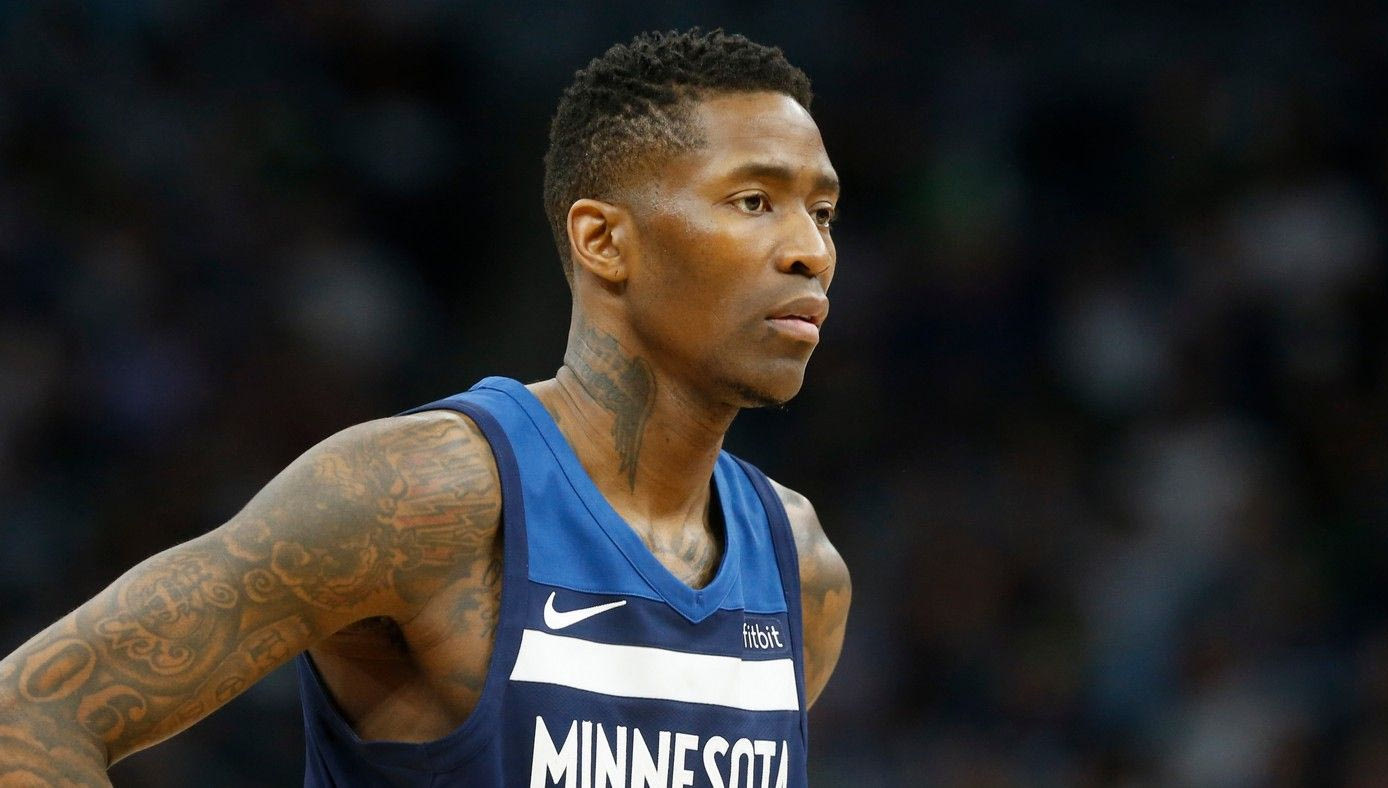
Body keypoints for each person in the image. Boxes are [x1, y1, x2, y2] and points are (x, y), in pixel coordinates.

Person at [0, 28, 850, 786]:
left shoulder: (802, 571)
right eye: (754, 202)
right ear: (602, 240)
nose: (811, 252)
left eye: (822, 213)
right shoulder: (424, 498)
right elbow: (28, 716)